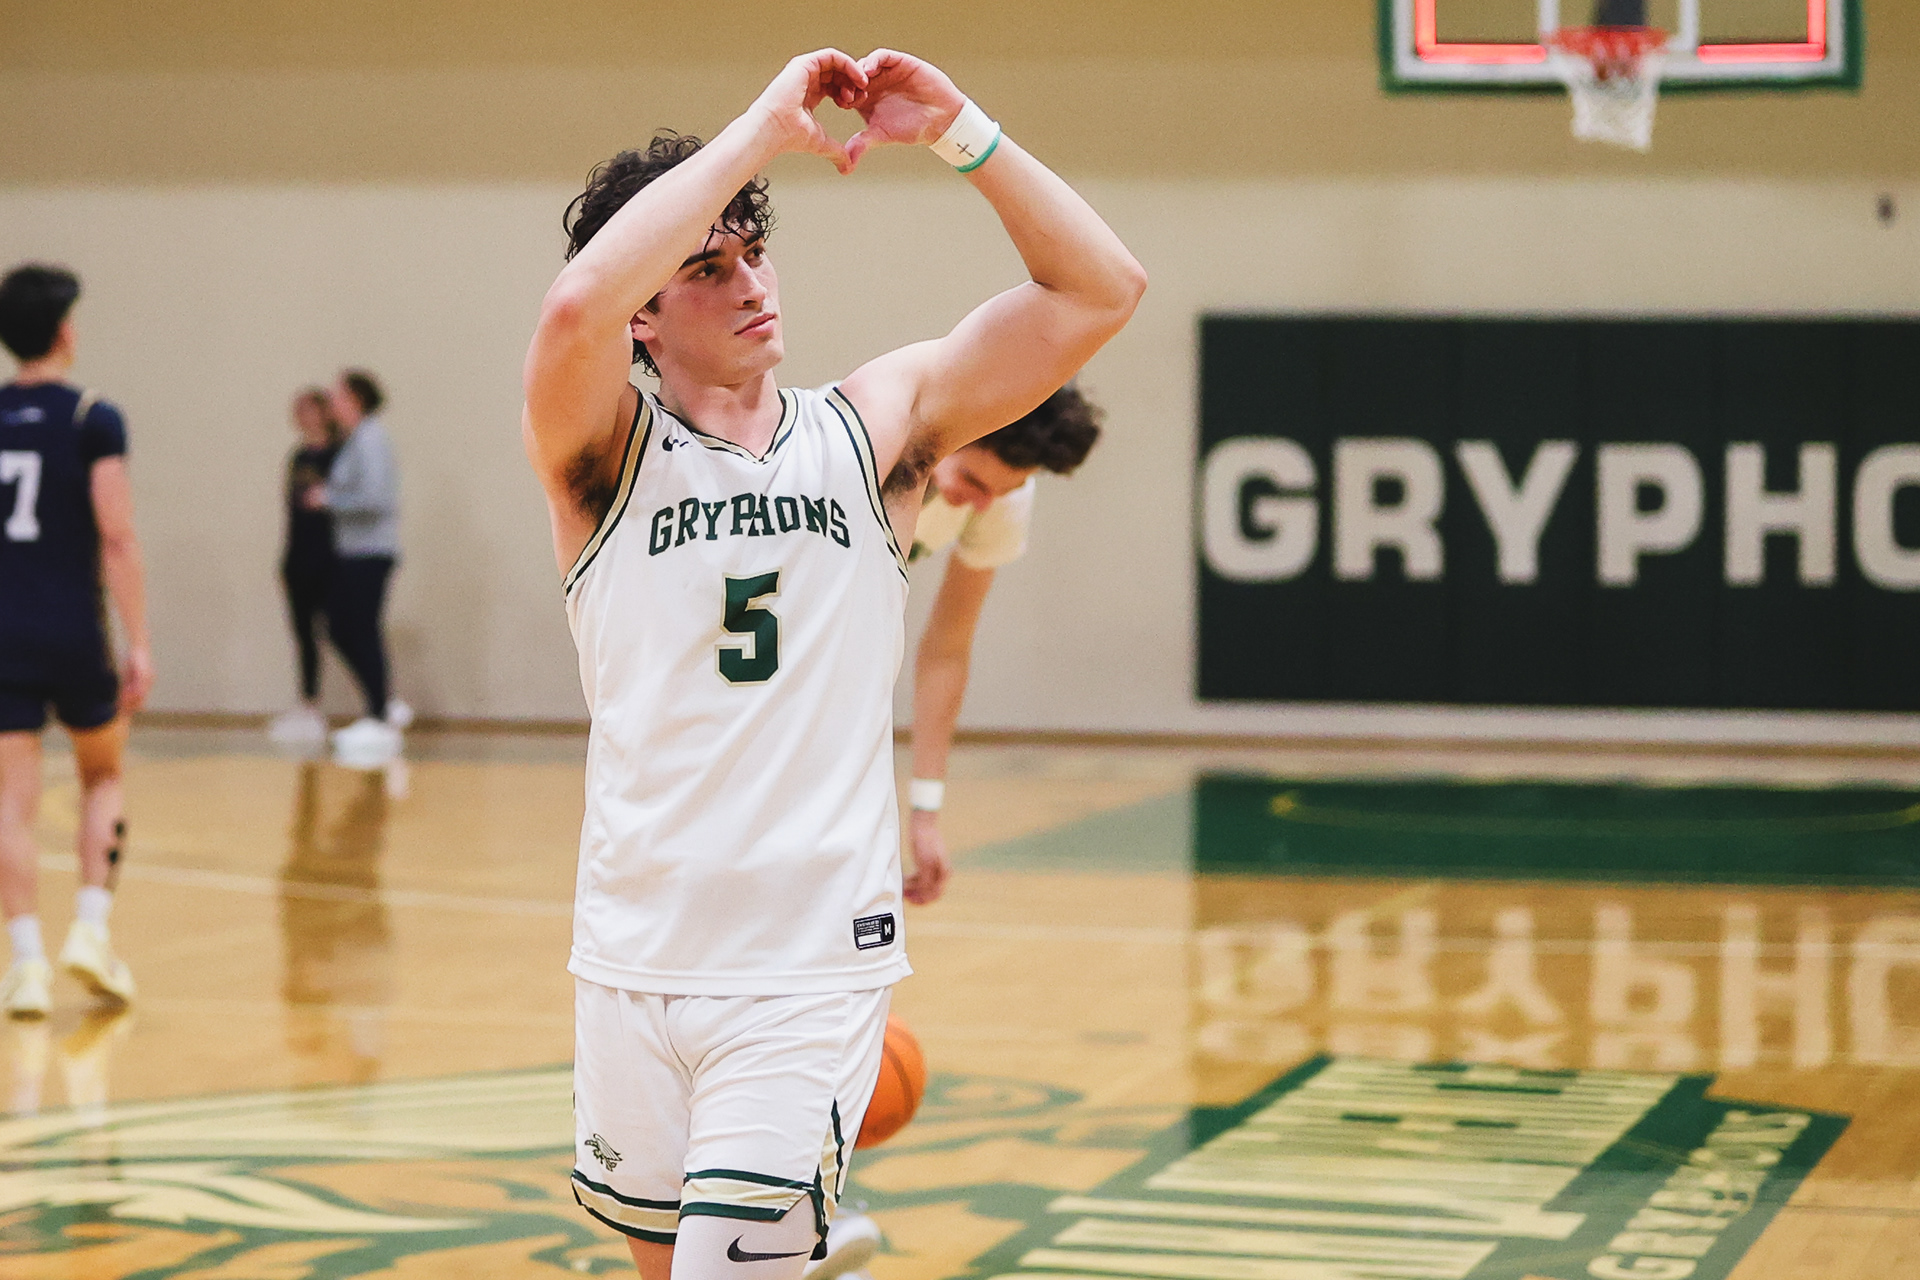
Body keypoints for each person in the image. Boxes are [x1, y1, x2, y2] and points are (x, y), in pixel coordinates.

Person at [520, 47, 1143, 1280]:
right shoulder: (598, 453)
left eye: (755, 250)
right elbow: (571, 311)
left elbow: (1099, 289)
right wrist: (756, 128)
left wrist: (963, 131)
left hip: (804, 960)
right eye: (708, 266)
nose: (750, 281)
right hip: (633, 952)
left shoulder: (878, 429)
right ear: (649, 310)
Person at [0, 263, 151, 1017]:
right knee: (102, 775)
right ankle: (90, 928)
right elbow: (117, 536)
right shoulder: (93, 417)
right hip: (73, 630)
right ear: (65, 330)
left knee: (10, 801)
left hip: (3, 635)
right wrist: (140, 641)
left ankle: (25, 962)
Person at [900, 386, 1103, 904]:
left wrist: (926, 812)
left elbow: (947, 647)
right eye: (970, 480)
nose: (982, 503)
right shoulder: (861, 450)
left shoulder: (1000, 496)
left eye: (1000, 492)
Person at [313, 369, 410, 765]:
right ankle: (381, 706)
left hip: (370, 552)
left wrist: (328, 499)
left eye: (337, 395)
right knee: (346, 627)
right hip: (355, 552)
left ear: (354, 398)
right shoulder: (356, 440)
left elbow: (375, 496)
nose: (330, 403)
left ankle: (381, 710)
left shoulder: (369, 438)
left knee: (354, 627)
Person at [267, 388, 343, 746]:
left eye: (310, 410)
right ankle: (308, 705)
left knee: (341, 630)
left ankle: (381, 704)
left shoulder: (340, 454)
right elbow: (292, 514)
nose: (304, 417)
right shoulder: (298, 456)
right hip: (299, 558)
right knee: (303, 634)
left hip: (330, 557)